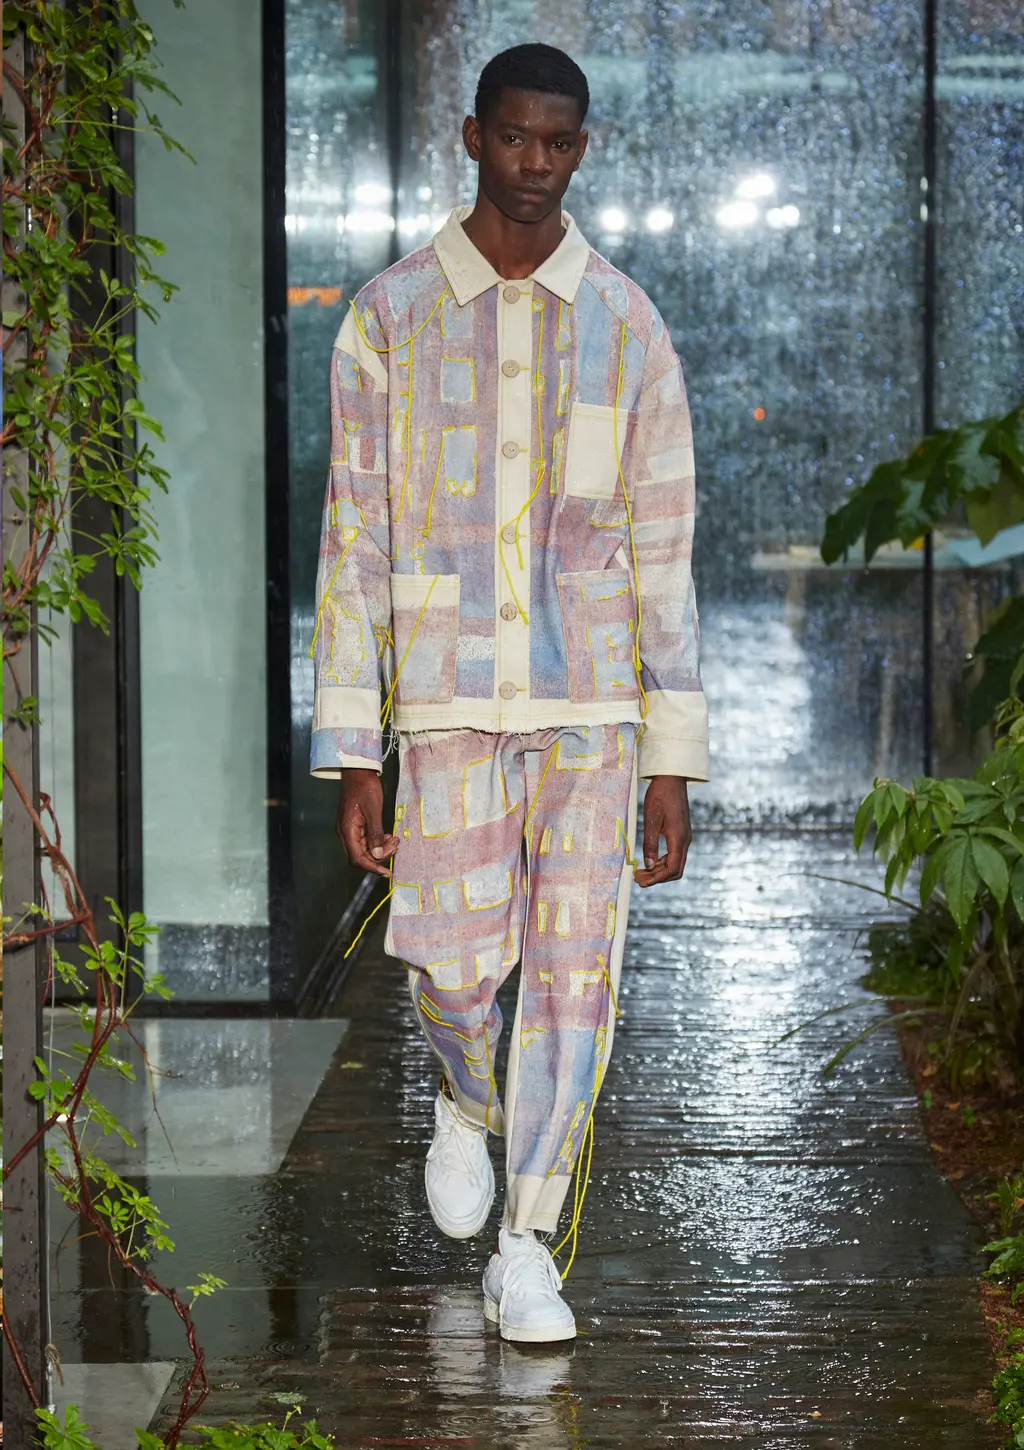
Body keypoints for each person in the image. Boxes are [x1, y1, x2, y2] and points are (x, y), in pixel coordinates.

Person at [310, 42, 708, 1344]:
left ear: (582, 148)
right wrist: (355, 747)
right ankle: (463, 1098)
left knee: (576, 983)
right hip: (447, 703)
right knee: (453, 971)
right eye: (517, 137)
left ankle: (528, 1244)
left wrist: (671, 756)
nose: (537, 164)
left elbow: (664, 549)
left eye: (560, 142)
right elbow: (354, 542)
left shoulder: (628, 325)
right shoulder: (390, 318)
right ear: (473, 137)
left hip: (592, 710)